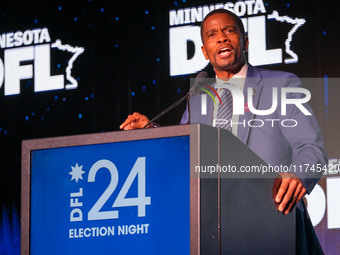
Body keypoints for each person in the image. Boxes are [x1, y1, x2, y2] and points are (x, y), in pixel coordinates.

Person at [120, 9, 327, 254]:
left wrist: (297, 177)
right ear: (205, 51)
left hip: (273, 221)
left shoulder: (280, 84)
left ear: (246, 41)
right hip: (215, 229)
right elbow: (185, 152)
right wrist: (150, 132)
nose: (222, 38)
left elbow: (312, 149)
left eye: (230, 31)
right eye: (212, 34)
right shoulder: (197, 98)